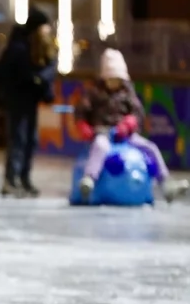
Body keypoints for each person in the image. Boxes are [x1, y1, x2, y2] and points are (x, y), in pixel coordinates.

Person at [75, 48, 189, 202]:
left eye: (117, 79)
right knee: (100, 147)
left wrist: (130, 123)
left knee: (150, 148)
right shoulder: (94, 93)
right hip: (102, 131)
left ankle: (166, 183)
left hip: (124, 135)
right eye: (111, 79)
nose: (114, 83)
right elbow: (82, 111)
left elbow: (137, 112)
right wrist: (84, 126)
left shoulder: (127, 93)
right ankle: (89, 178)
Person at [0, 7, 57, 197]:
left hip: (31, 101)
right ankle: (12, 179)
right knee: (19, 138)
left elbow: (48, 70)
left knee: (30, 140)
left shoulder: (41, 47)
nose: (48, 30)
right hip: (17, 100)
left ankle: (23, 178)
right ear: (36, 28)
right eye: (44, 26)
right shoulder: (18, 48)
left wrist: (42, 86)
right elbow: (4, 73)